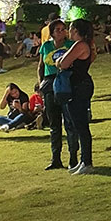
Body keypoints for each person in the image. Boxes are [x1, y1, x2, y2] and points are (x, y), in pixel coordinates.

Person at [38, 19, 78, 171]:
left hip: (66, 83)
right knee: (54, 124)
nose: (61, 32)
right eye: (58, 30)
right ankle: (56, 159)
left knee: (70, 122)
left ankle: (73, 158)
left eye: (63, 29)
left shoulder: (70, 46)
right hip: (50, 84)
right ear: (52, 33)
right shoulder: (46, 46)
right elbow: (41, 66)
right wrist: (40, 84)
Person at [57, 19, 96, 175]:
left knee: (80, 125)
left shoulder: (80, 45)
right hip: (80, 84)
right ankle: (83, 161)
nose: (69, 32)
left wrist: (60, 60)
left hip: (78, 86)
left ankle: (87, 162)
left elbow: (63, 63)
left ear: (77, 31)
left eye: (71, 29)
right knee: (78, 124)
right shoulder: (86, 45)